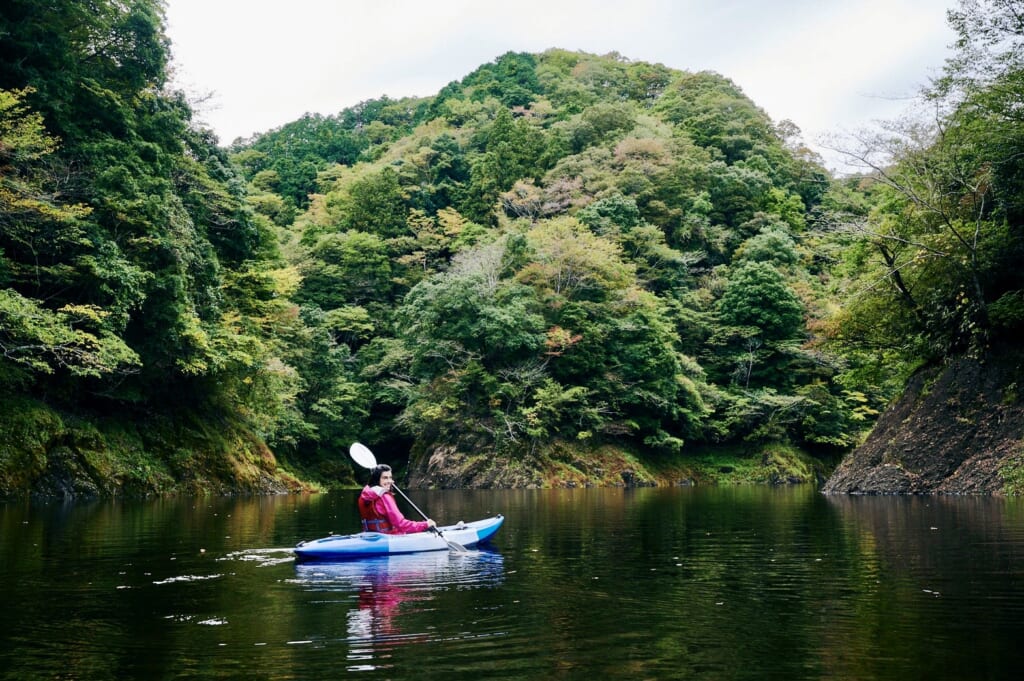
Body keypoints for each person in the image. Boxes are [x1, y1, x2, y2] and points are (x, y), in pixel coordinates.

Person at [358, 464, 437, 534]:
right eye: (385, 478)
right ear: (376, 479)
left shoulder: (364, 494)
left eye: (390, 478)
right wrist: (425, 525)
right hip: (388, 537)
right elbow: (401, 524)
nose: (390, 481)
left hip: (369, 536)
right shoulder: (385, 496)